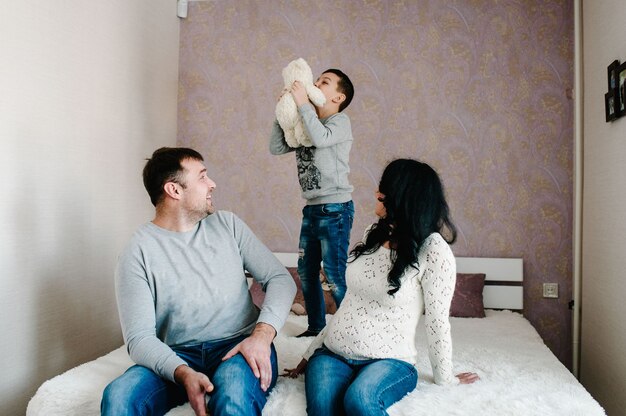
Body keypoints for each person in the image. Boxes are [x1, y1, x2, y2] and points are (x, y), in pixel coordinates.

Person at [101, 147, 297, 416]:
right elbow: (139, 339)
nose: (212, 184)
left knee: (232, 399)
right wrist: (182, 373)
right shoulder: (137, 251)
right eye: (202, 177)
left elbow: (280, 279)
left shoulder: (228, 225)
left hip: (238, 346)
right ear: (175, 190)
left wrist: (261, 336)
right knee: (119, 397)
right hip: (175, 356)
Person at [284, 159, 480, 415]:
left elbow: (437, 322)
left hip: (390, 361)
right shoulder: (373, 235)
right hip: (332, 354)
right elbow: (351, 305)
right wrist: (309, 354)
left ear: (405, 197)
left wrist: (446, 378)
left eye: (385, 189)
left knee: (360, 400)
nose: (377, 193)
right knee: (322, 409)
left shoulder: (433, 250)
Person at [269, 68, 355, 337]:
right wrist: (282, 111)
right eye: (316, 80)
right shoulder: (305, 125)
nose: (315, 84)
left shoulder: (340, 122)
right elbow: (277, 147)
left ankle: (350, 331)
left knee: (333, 272)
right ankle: (317, 327)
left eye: (323, 82)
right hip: (313, 208)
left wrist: (304, 104)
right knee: (306, 271)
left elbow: (321, 138)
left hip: (336, 209)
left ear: (337, 98)